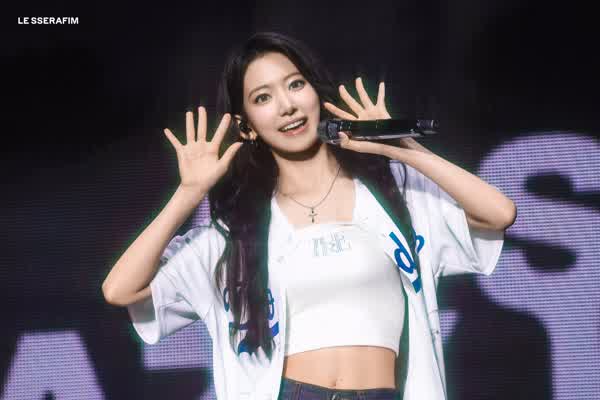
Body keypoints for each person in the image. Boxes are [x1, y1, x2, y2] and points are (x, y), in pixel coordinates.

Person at [102, 32, 516, 400]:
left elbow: (499, 213)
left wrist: (401, 146)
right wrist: (189, 193)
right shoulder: (235, 234)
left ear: (315, 93)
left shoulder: (395, 194)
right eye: (263, 98)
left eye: (295, 84)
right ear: (247, 127)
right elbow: (120, 290)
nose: (287, 106)